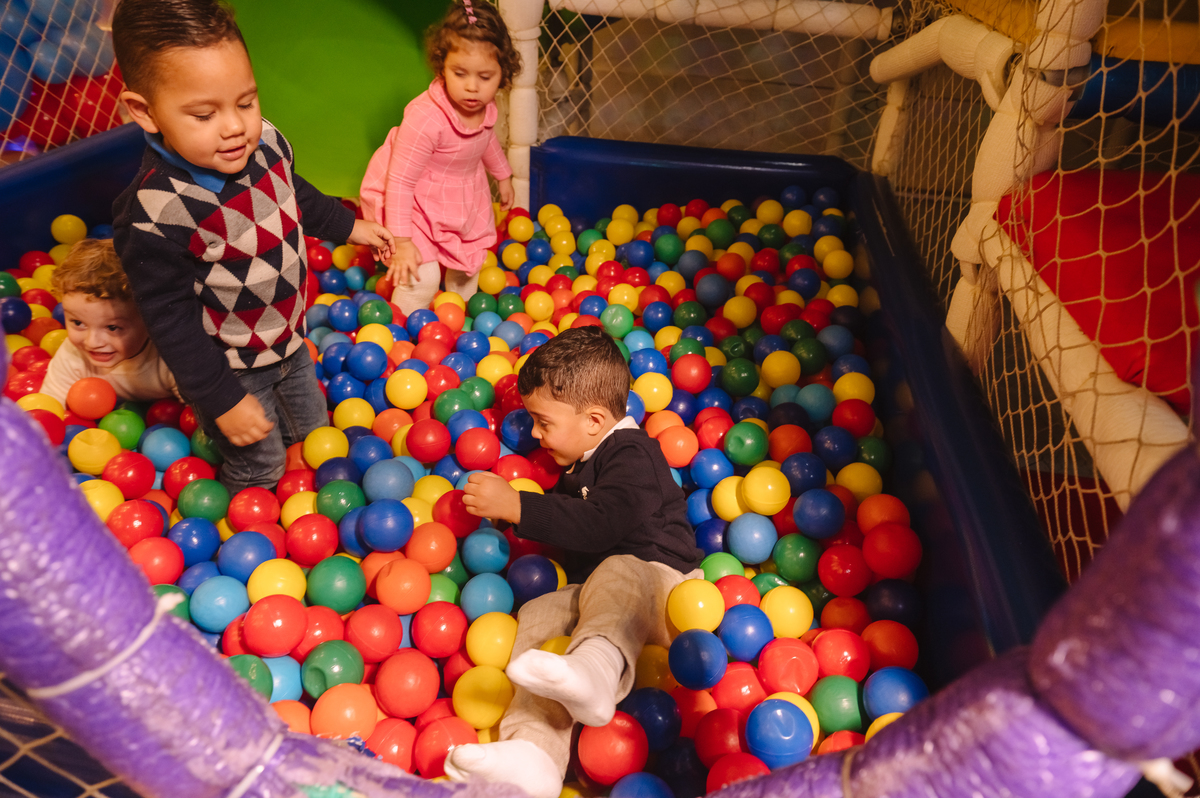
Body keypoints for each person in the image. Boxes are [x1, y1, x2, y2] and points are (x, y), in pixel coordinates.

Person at [109, 0, 394, 493]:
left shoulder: (263, 144)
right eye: (204, 114)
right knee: (261, 466)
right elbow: (169, 316)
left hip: (288, 340)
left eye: (246, 101)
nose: (235, 126)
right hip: (229, 366)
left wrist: (350, 227)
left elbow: (293, 191)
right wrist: (220, 399)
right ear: (144, 111)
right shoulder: (158, 209)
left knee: (315, 438)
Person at [454, 327, 703, 798]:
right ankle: (533, 755)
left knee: (619, 569)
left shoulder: (634, 454)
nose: (533, 433)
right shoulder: (580, 461)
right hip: (602, 600)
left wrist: (519, 508)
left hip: (667, 595)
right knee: (540, 612)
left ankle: (597, 670)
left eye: (543, 423)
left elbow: (601, 524)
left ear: (593, 420)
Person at [359, 0, 517, 317]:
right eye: (460, 74)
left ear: (503, 73)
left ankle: (458, 325)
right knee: (423, 277)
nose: (472, 88)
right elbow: (401, 182)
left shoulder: (483, 109)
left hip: (460, 198)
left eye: (485, 77)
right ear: (442, 66)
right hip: (414, 199)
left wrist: (504, 176)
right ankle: (401, 336)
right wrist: (402, 242)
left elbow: (485, 141)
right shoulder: (426, 118)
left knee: (469, 268)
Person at [40, 239, 179, 407]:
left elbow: (210, 411)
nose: (92, 342)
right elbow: (47, 409)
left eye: (112, 328)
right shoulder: (73, 354)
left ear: (151, 320)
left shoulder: (171, 354)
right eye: (78, 323)